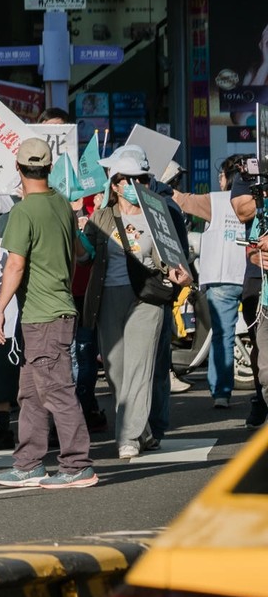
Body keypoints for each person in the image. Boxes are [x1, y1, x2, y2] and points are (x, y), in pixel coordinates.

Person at [0, 138, 97, 490]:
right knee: (32, 393)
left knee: (55, 391)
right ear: (50, 168)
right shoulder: (62, 205)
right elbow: (73, 257)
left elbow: (15, 265)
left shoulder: (23, 212)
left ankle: (77, 464)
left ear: (18, 169)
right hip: (55, 310)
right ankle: (28, 463)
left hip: (43, 316)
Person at [85, 145, 193, 461]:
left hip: (149, 296)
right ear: (115, 184)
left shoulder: (161, 210)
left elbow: (176, 258)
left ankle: (129, 436)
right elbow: (84, 257)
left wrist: (180, 274)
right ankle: (142, 429)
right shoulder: (102, 216)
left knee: (140, 367)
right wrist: (76, 231)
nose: (136, 187)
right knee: (117, 371)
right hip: (109, 295)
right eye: (128, 180)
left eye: (141, 179)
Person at [173, 154, 259, 408]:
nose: (219, 180)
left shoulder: (214, 201)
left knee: (223, 335)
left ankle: (221, 392)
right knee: (259, 337)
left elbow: (180, 200)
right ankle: (261, 390)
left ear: (229, 177)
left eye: (221, 175)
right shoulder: (257, 200)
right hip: (253, 274)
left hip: (222, 278)